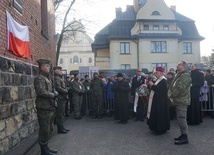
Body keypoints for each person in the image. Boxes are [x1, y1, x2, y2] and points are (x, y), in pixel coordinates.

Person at [34, 59, 57, 155]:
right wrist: (53, 95)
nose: (49, 68)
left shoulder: (47, 78)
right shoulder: (39, 78)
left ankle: (46, 147)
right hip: (43, 108)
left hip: (49, 107)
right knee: (44, 129)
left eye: (49, 66)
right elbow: (41, 91)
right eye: (47, 66)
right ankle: (43, 150)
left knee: (50, 129)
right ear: (42, 67)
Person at [168, 60, 191, 145]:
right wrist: (169, 93)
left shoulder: (185, 76)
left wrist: (172, 95)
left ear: (184, 66)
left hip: (182, 100)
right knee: (179, 119)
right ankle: (182, 134)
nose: (177, 65)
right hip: (177, 100)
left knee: (182, 119)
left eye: (179, 64)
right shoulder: (178, 75)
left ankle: (185, 137)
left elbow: (181, 88)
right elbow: (172, 85)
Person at [146, 67, 170, 135]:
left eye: (157, 73)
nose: (155, 74)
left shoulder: (163, 81)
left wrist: (152, 85)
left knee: (160, 115)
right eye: (155, 73)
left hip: (161, 102)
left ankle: (160, 129)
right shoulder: (158, 80)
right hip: (157, 100)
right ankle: (155, 128)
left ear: (161, 73)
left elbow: (160, 90)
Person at [54, 66, 69, 134]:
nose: (61, 71)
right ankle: (60, 128)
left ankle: (62, 126)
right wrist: (65, 91)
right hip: (60, 98)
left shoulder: (60, 78)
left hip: (63, 97)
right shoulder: (56, 78)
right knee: (59, 113)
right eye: (59, 70)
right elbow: (58, 88)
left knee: (62, 113)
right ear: (56, 71)